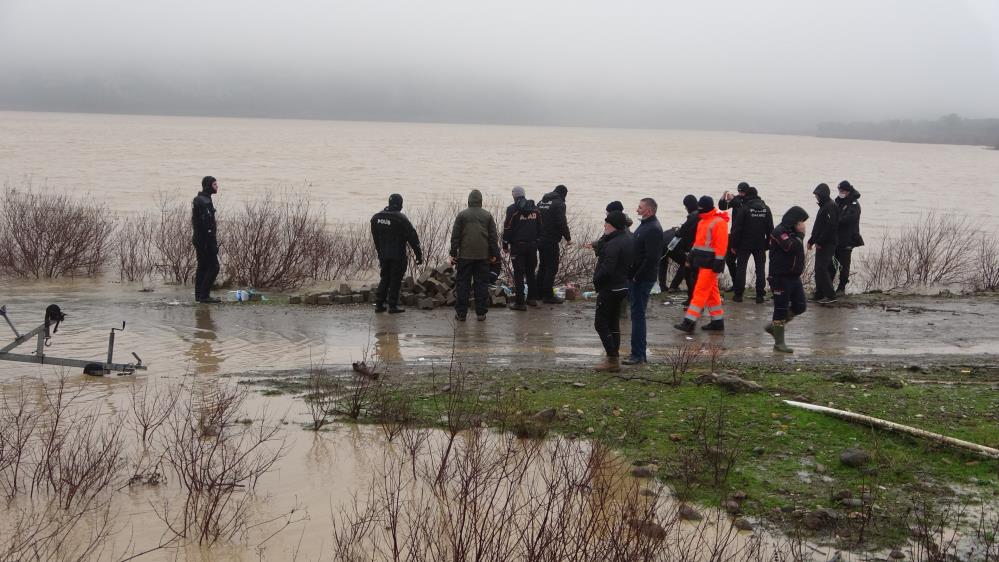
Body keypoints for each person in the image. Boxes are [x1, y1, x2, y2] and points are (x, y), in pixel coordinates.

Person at [674, 196, 729, 333]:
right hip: (702, 262)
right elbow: (698, 243)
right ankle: (717, 322)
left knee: (700, 291)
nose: (699, 211)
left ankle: (689, 322)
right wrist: (691, 257)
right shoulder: (703, 221)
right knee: (711, 292)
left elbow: (721, 245)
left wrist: (718, 262)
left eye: (701, 208)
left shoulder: (718, 222)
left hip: (711, 264)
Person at [592, 211, 635, 372]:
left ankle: (612, 358)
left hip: (610, 288)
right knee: (613, 322)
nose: (604, 226)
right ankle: (613, 356)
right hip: (623, 286)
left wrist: (596, 280)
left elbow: (607, 268)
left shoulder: (614, 244)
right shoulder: (628, 238)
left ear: (614, 226)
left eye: (607, 224)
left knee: (600, 323)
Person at [623, 198, 664, 365]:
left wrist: (636, 276)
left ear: (649, 210)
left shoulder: (653, 228)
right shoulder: (645, 225)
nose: (637, 210)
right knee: (636, 315)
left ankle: (638, 354)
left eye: (640, 207)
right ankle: (638, 353)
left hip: (642, 279)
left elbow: (652, 258)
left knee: (638, 316)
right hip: (636, 277)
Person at [450, 189, 499, 321]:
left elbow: (455, 236)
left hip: (465, 256)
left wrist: (453, 253)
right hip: (483, 256)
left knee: (462, 284)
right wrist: (494, 253)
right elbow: (493, 238)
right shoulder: (487, 216)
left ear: (469, 201)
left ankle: (461, 314)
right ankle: (481, 313)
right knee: (482, 284)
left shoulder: (462, 215)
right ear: (481, 202)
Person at [766, 206, 810, 353]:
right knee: (780, 308)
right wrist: (801, 236)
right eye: (801, 222)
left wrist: (799, 235)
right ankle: (779, 343)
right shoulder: (779, 232)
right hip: (779, 276)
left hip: (794, 277)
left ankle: (774, 327)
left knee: (800, 305)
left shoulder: (793, 233)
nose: (803, 225)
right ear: (794, 222)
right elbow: (790, 246)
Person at [370, 193, 423, 313]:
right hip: (397, 255)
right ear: (400, 204)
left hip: (383, 254)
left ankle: (379, 304)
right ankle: (392, 306)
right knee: (395, 279)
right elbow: (413, 238)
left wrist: (380, 253)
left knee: (384, 277)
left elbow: (376, 239)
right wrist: (418, 255)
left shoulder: (376, 218)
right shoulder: (401, 219)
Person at [729, 186, 774, 303]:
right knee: (760, 269)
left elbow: (736, 228)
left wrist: (733, 245)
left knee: (741, 268)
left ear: (748, 196)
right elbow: (771, 229)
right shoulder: (766, 209)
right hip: (760, 244)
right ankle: (760, 296)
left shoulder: (744, 208)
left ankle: (738, 295)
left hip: (744, 244)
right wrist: (768, 244)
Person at [502, 186, 542, 311]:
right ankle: (532, 299)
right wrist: (537, 242)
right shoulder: (535, 209)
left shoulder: (512, 209)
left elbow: (507, 228)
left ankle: (520, 303)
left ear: (514, 196)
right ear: (524, 195)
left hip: (518, 246)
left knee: (519, 274)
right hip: (532, 245)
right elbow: (540, 227)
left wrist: (505, 245)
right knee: (530, 272)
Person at [536, 184, 572, 304]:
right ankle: (547, 295)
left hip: (539, 239)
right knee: (552, 267)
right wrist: (568, 238)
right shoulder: (559, 204)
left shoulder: (541, 202)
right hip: (550, 240)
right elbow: (561, 222)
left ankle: (538, 293)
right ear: (564, 194)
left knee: (542, 266)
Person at [663, 195, 700, 306]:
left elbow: (681, 232)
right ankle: (679, 289)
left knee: (689, 273)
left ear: (687, 206)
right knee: (691, 271)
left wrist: (677, 230)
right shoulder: (701, 215)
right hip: (700, 248)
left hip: (692, 249)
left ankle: (692, 299)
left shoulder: (693, 217)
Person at [807, 183, 841, 304]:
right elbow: (819, 227)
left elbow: (830, 227)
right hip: (821, 242)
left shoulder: (831, 206)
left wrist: (820, 241)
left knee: (822, 268)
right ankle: (819, 293)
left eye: (817, 195)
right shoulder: (824, 206)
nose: (816, 197)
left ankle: (831, 295)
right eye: (816, 195)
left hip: (828, 243)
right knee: (818, 269)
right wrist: (811, 240)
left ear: (823, 194)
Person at [192, 175, 221, 304]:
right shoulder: (205, 202)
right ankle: (204, 296)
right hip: (205, 241)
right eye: (215, 184)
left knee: (202, 266)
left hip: (198, 239)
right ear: (209, 186)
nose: (217, 186)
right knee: (214, 267)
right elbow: (207, 225)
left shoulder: (199, 199)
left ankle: (199, 295)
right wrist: (212, 243)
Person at [833, 180, 863, 297]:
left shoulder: (854, 205)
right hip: (836, 238)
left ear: (848, 191)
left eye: (842, 191)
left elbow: (847, 219)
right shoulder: (838, 202)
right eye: (839, 190)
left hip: (848, 239)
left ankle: (841, 287)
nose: (840, 193)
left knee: (844, 265)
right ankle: (828, 285)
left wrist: (834, 220)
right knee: (832, 263)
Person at [719, 182, 749, 279]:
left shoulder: (749, 201)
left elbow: (742, 206)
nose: (741, 194)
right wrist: (723, 197)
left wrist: (734, 198)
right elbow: (723, 207)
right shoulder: (737, 199)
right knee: (729, 260)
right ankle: (736, 282)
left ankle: (739, 284)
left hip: (744, 235)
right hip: (735, 233)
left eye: (742, 192)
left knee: (741, 262)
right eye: (739, 192)